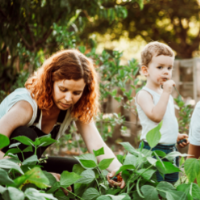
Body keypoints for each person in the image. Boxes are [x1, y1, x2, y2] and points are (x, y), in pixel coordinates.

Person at [0, 49, 124, 189]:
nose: (68, 98)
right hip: (5, 166)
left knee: (82, 173)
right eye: (63, 89)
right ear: (50, 81)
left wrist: (120, 171)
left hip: (29, 166)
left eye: (76, 92)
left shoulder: (74, 106)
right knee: (25, 135)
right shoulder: (26, 106)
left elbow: (96, 144)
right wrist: (42, 176)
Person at [135, 41, 189, 183]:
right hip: (153, 150)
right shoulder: (144, 94)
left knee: (169, 186)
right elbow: (156, 116)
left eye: (169, 67)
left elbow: (166, 120)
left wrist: (175, 136)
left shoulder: (166, 95)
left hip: (171, 150)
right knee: (155, 186)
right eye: (160, 67)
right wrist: (166, 92)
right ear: (145, 70)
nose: (166, 71)